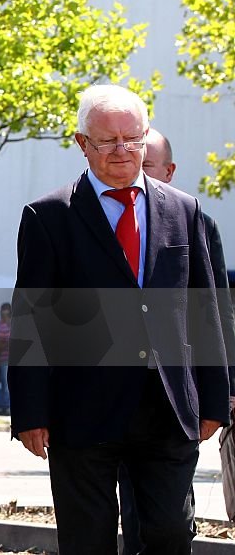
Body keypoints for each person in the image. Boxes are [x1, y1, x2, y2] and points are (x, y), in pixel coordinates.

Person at [8, 85, 230, 555]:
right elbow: (32, 319)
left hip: (167, 405)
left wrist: (215, 395)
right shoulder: (49, 216)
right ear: (82, 143)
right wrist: (30, 411)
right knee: (87, 537)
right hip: (81, 408)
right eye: (107, 140)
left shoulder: (182, 209)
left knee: (169, 531)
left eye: (132, 138)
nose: (122, 150)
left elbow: (204, 306)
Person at [116, 127, 235, 554]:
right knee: (133, 515)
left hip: (173, 399)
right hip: (110, 397)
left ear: (169, 171)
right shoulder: (97, 215)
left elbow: (215, 312)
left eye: (146, 165)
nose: (132, 171)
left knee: (168, 520)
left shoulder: (197, 221)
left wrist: (222, 392)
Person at [0, 303, 12, 413]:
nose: (5, 314)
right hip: (3, 359)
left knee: (12, 383)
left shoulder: (15, 324)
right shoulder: (0, 325)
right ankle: (7, 406)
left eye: (7, 312)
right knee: (6, 384)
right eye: (3, 312)